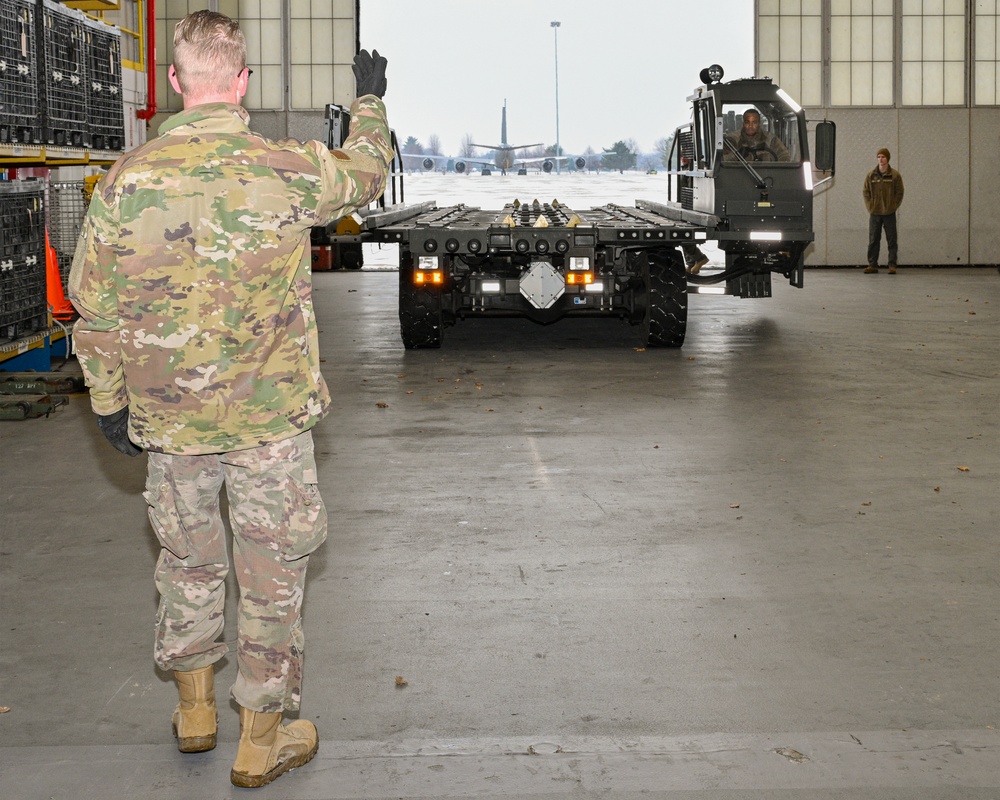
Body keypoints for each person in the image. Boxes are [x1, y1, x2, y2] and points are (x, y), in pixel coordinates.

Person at [68, 11, 392, 789]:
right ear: (242, 80)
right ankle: (261, 739)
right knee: (272, 570)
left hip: (170, 423)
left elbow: (94, 308)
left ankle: (194, 714)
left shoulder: (127, 178)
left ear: (176, 82)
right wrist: (372, 99)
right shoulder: (283, 166)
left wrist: (110, 402)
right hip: (268, 424)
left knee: (187, 562)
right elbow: (367, 174)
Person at [863, 147, 904, 274]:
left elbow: (899, 192)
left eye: (883, 157)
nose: (881, 159)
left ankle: (892, 265)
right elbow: (866, 192)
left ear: (888, 159)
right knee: (873, 239)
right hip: (875, 213)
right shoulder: (871, 175)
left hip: (889, 213)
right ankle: (872, 265)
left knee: (891, 239)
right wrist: (870, 206)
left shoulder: (894, 175)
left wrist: (893, 206)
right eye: (879, 157)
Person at [723, 109, 791, 162]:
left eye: (754, 122)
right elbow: (722, 161)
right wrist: (736, 155)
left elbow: (785, 158)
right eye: (747, 122)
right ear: (743, 123)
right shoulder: (732, 140)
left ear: (759, 123)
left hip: (767, 176)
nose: (750, 126)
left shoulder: (771, 140)